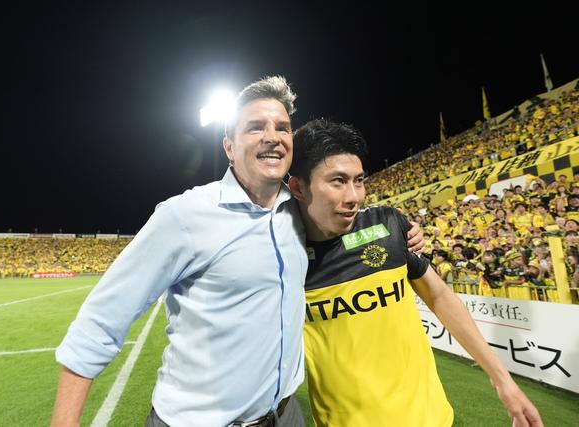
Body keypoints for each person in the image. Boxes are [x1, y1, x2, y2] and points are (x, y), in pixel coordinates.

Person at [50, 77, 424, 426]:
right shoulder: (185, 216)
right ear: (228, 146)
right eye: (255, 127)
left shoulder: (299, 210)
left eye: (282, 128)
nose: (273, 137)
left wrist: (405, 234)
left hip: (285, 414)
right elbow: (99, 323)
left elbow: (347, 220)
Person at [287, 119, 542, 427]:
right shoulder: (283, 258)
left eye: (359, 180)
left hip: (430, 418)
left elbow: (439, 296)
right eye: (338, 181)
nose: (354, 196)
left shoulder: (388, 225)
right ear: (298, 187)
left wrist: (502, 380)